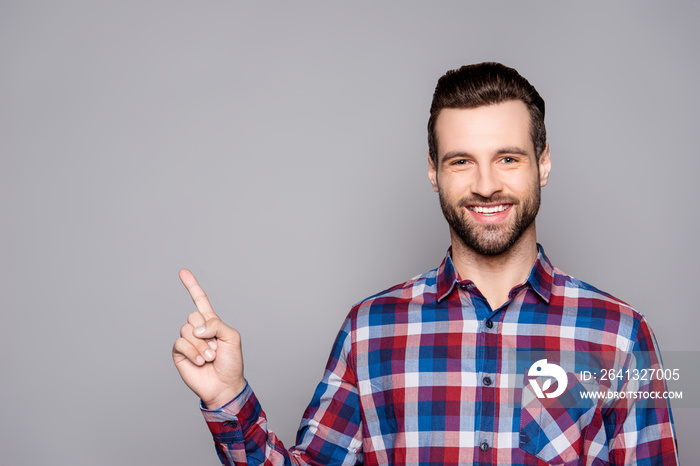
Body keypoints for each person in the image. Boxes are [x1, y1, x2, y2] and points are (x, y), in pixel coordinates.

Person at [172, 62, 679, 465]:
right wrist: (228, 396)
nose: (485, 184)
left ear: (542, 163)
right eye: (461, 161)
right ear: (434, 172)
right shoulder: (370, 331)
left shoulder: (619, 337)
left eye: (508, 158)